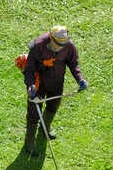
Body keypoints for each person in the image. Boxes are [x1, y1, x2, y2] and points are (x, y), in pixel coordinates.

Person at [22, 25, 88, 157]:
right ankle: (29, 142)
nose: (59, 48)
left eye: (62, 45)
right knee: (34, 113)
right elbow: (29, 69)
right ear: (51, 38)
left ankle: (45, 126)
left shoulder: (69, 45)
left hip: (56, 83)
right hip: (38, 84)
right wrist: (30, 85)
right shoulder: (38, 45)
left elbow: (73, 63)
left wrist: (80, 79)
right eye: (57, 44)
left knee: (53, 106)